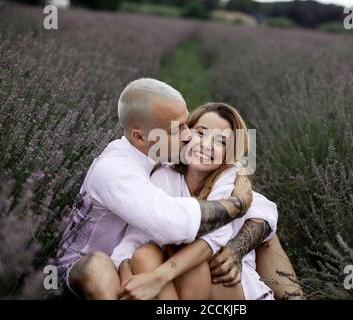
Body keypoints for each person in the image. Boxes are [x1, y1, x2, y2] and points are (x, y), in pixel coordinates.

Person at [55, 79, 253, 299]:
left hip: (128, 259)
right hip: (77, 270)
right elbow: (173, 223)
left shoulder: (163, 157)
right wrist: (237, 205)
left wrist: (245, 231)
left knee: (181, 258)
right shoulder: (115, 169)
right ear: (140, 137)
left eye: (187, 124)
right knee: (100, 265)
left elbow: (261, 207)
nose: (188, 135)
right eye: (177, 129)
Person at [112, 103, 303, 300]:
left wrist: (158, 277)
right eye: (201, 133)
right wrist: (126, 269)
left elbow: (225, 231)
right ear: (186, 135)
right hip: (184, 287)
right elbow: (136, 235)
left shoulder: (231, 180)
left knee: (195, 247)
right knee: (145, 253)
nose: (207, 145)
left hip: (230, 288)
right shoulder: (165, 178)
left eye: (221, 142)